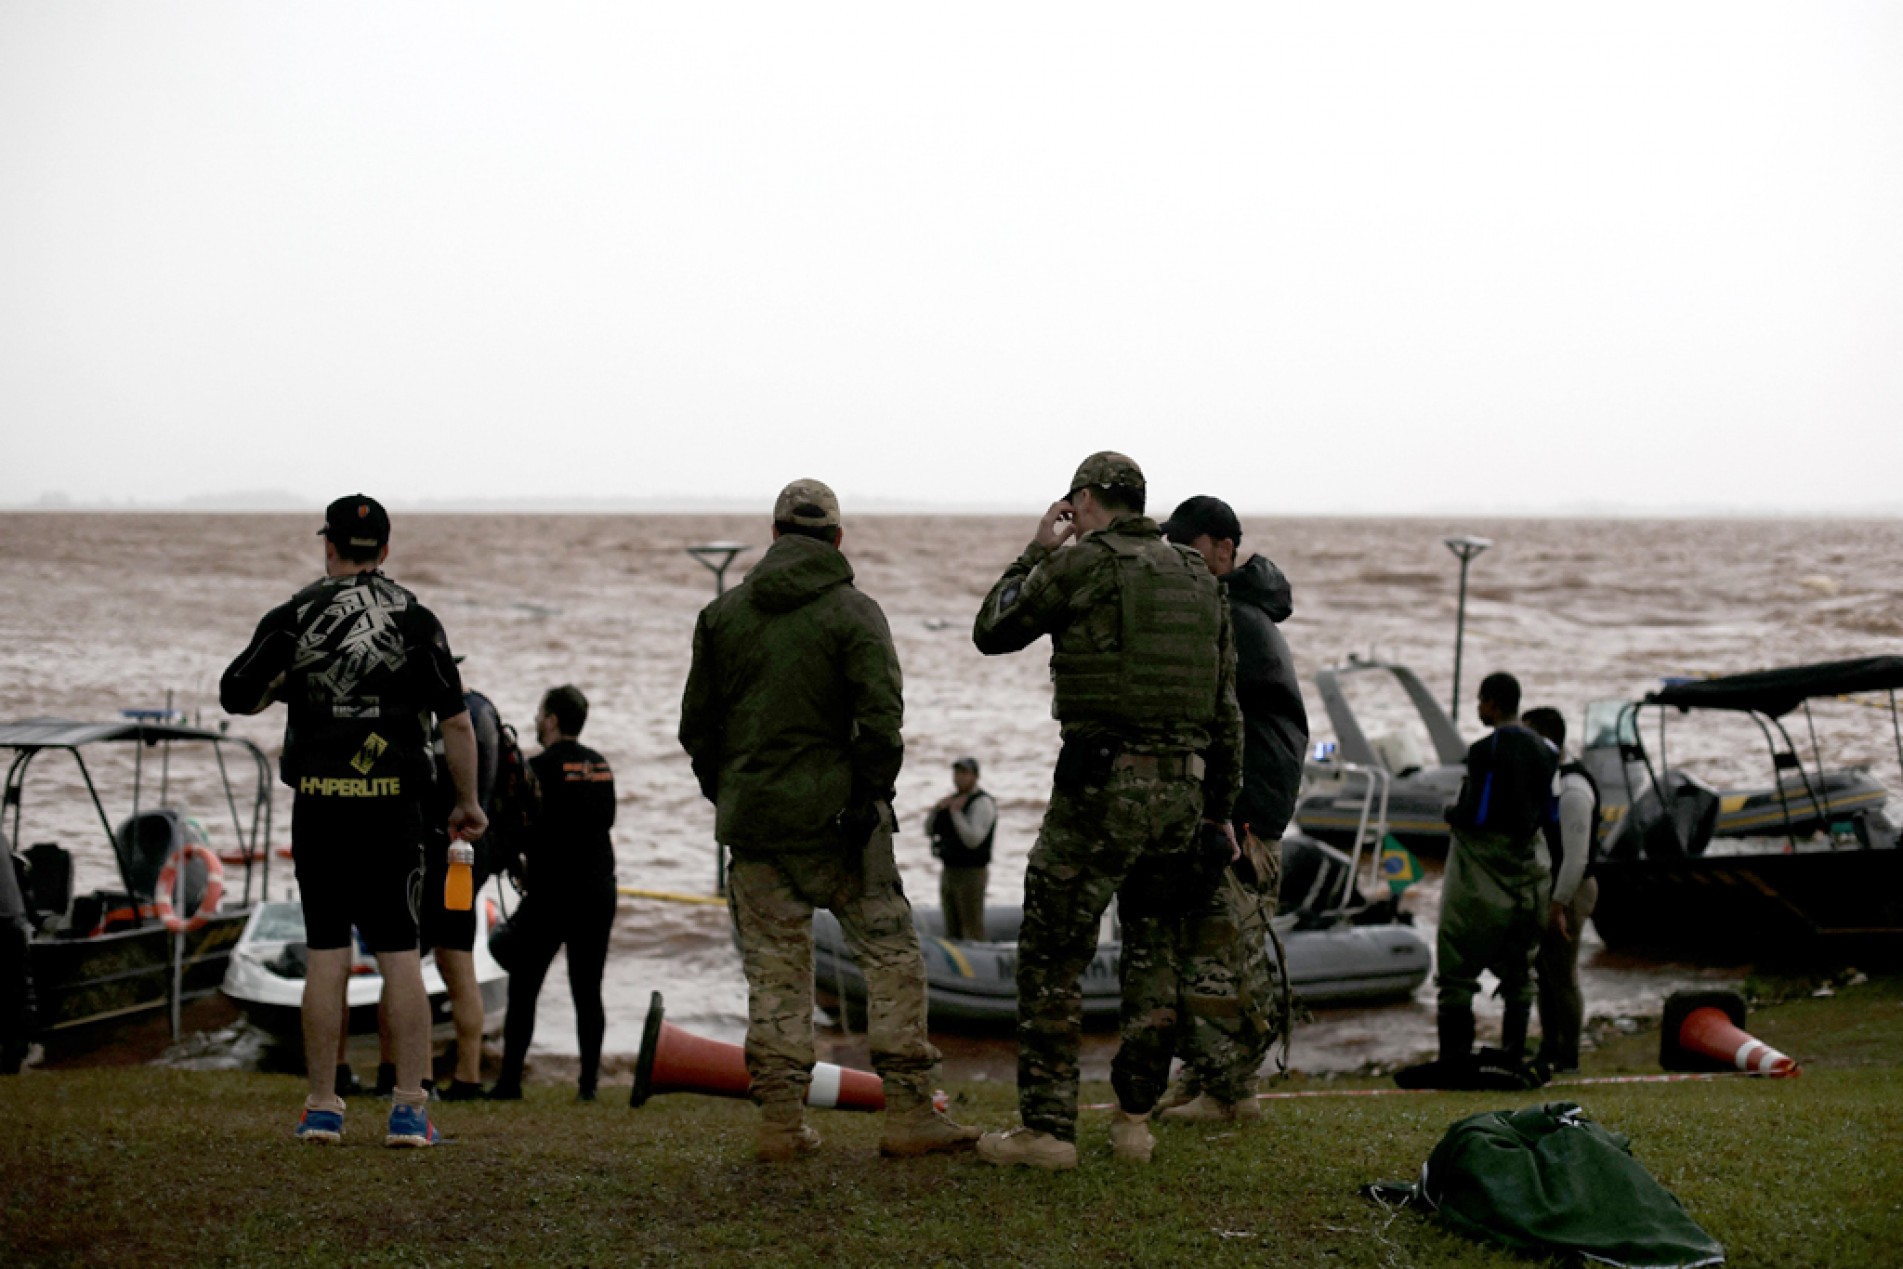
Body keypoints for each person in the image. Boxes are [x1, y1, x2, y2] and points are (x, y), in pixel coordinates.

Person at [679, 478, 978, 1161]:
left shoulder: (722, 616)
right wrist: (869, 797)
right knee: (893, 956)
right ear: (837, 539)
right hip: (843, 824)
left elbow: (697, 729)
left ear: (775, 533)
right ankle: (908, 1110)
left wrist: (730, 795)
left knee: (776, 969)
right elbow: (882, 721)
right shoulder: (855, 612)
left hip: (755, 824)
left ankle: (781, 1121)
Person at [971, 453, 1242, 1170]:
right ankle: (1132, 1123)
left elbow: (993, 629)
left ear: (1085, 500)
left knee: (1053, 948)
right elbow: (1226, 713)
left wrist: (1038, 547)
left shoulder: (1082, 563)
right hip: (1181, 793)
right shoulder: (1198, 578)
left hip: (1100, 789)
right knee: (1152, 951)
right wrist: (1218, 814)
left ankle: (1050, 1129)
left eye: (1074, 504)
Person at [221, 493, 486, 1147]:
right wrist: (467, 801)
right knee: (400, 956)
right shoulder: (418, 619)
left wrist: (287, 683)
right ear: (386, 550)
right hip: (394, 807)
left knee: (326, 954)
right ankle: (406, 1109)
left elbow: (235, 693)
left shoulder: (295, 613)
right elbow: (455, 720)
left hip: (319, 807)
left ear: (329, 546)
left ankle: (321, 1106)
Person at [1157, 494, 1309, 1123]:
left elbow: (1212, 720)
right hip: (1247, 809)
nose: (1173, 559)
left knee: (1226, 953)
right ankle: (1205, 1078)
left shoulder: (1233, 617)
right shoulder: (1240, 611)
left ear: (1223, 549)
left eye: (1185, 546)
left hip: (1243, 814)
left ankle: (1232, 1093)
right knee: (1209, 949)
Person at [359, 685, 503, 1101]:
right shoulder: (482, 711)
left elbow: (361, 766)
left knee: (402, 960)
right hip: (468, 852)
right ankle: (468, 1076)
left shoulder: (405, 710)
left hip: (416, 851)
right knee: (459, 964)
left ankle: (407, 1074)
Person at [487, 685, 618, 1102]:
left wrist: (512, 863)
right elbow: (605, 821)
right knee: (588, 989)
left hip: (551, 892)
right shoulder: (601, 766)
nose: (536, 720)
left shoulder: (536, 767)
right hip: (598, 888)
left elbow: (515, 826)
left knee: (524, 985)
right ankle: (589, 1087)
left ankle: (509, 1083)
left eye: (541, 713)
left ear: (552, 720)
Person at [1436, 672, 1557, 1068]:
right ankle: (1513, 1051)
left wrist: (1451, 813)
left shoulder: (1486, 749)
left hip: (1483, 870)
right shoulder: (1545, 751)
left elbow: (1479, 811)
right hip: (1527, 874)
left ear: (1492, 703)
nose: (1478, 708)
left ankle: (1455, 1053)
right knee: (1520, 972)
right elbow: (1548, 815)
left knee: (1456, 963)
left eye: (1480, 701)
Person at [1523, 706, 1600, 1073]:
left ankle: (1568, 1054)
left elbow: (1576, 858)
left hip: (1570, 889)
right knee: (1544, 972)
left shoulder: (1573, 789)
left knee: (1562, 974)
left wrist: (1558, 904)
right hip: (1550, 888)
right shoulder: (1549, 779)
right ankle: (1548, 1048)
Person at [924, 756, 995, 942]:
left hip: (971, 873)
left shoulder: (982, 803)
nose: (959, 777)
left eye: (964, 773)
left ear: (975, 776)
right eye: (956, 773)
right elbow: (928, 830)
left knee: (971, 927)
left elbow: (973, 840)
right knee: (951, 927)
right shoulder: (950, 800)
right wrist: (937, 811)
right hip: (949, 870)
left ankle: (979, 966)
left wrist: (956, 814)